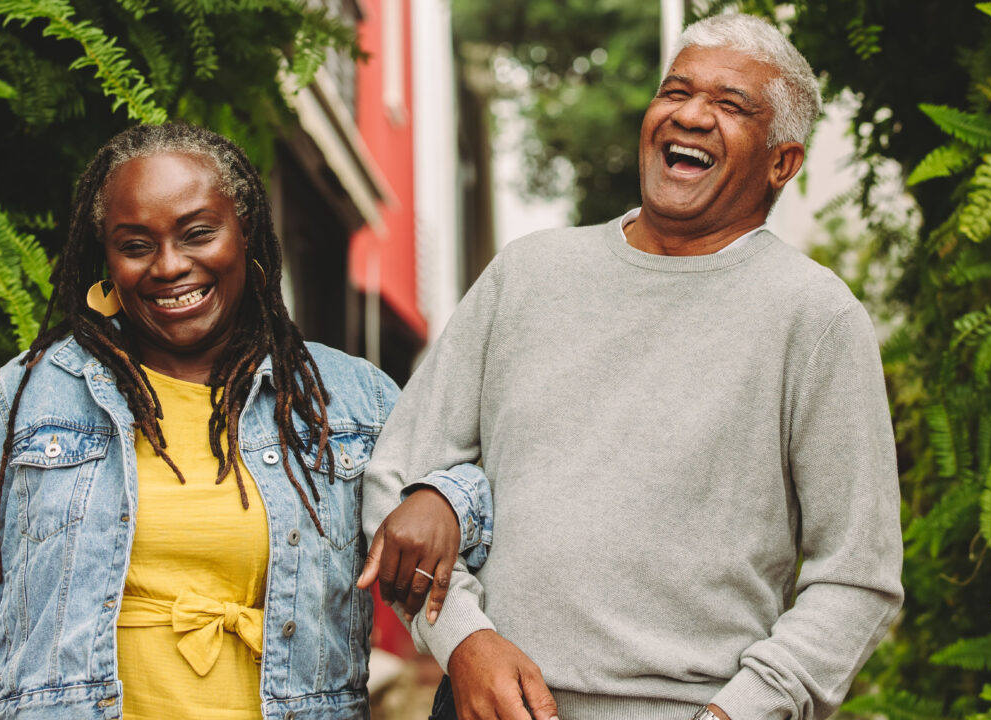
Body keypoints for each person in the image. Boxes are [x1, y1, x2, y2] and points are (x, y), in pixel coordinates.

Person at [363, 13, 903, 720]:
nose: (692, 114)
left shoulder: (816, 318)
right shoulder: (527, 276)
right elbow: (398, 476)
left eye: (731, 105)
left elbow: (857, 577)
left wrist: (740, 713)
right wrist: (465, 641)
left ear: (783, 163)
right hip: (485, 702)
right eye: (676, 91)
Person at [0, 123, 490, 720]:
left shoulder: (346, 399)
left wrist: (441, 498)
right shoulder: (28, 398)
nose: (169, 266)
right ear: (104, 260)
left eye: (198, 234)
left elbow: (484, 490)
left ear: (246, 236)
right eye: (135, 245)